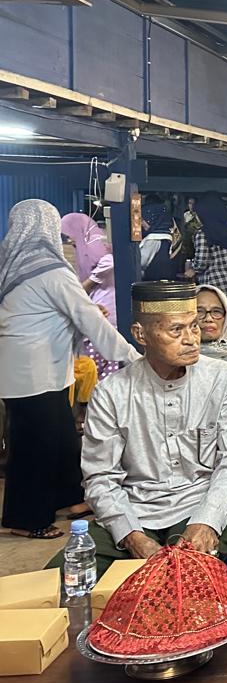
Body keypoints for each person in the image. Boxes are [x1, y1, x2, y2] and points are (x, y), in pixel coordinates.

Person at [66, 281, 227, 574]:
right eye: (176, 330)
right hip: (135, 509)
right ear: (141, 334)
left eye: (193, 327)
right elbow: (100, 476)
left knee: (179, 577)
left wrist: (207, 521)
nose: (191, 339)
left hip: (202, 502)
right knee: (62, 578)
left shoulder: (225, 379)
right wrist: (131, 536)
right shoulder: (112, 392)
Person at [0, 200, 139, 539]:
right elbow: (88, 318)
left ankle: (71, 498)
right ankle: (26, 518)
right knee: (37, 446)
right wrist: (132, 357)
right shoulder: (51, 270)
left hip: (22, 369)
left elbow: (49, 312)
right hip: (36, 372)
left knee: (60, 435)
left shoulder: (13, 266)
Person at [60, 211, 123, 381]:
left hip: (107, 309)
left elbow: (110, 262)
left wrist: (89, 283)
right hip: (99, 306)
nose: (69, 240)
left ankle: (98, 391)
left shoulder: (99, 247)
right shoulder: (85, 249)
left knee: (100, 356)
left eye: (69, 234)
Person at [189, 193, 227, 334]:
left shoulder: (202, 234)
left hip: (218, 289)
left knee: (222, 329)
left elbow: (201, 262)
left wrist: (192, 269)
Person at [139, 200, 183, 282]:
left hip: (153, 282)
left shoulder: (153, 238)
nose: (141, 224)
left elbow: (141, 263)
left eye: (142, 220)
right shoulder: (171, 235)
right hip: (169, 279)